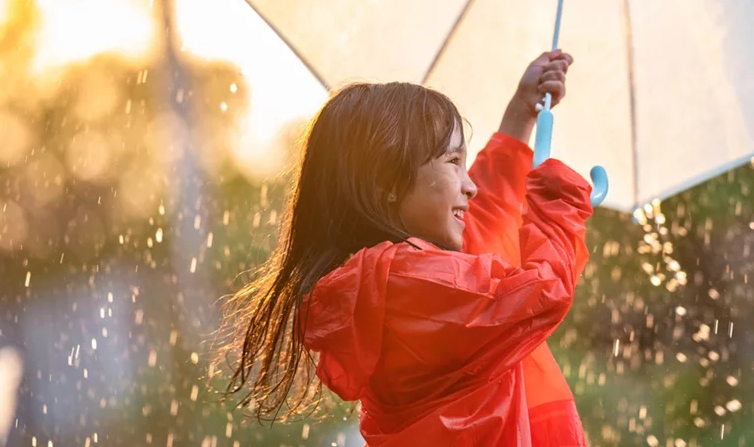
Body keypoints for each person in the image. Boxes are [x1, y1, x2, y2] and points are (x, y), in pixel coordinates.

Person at [217, 50, 593, 446]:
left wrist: (520, 116)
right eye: (453, 161)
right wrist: (559, 204)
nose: (469, 186)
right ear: (388, 184)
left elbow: (482, 224)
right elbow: (541, 294)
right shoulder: (408, 282)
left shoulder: (387, 279)